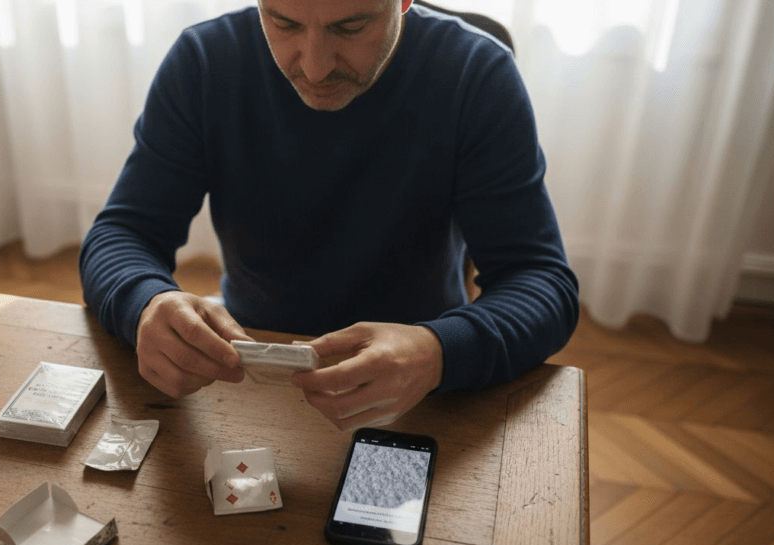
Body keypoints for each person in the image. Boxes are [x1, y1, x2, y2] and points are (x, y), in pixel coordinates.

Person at [79, 0, 579, 431]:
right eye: (284, 22)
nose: (314, 68)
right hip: (250, 370)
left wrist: (439, 351)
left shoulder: (476, 72)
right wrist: (145, 303)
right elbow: (124, 233)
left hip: (423, 389)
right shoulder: (205, 61)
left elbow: (541, 283)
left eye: (350, 27)